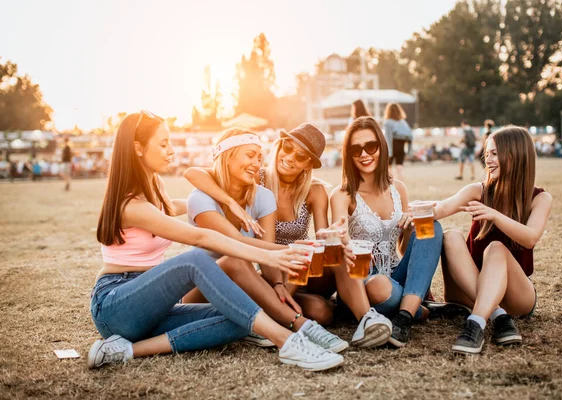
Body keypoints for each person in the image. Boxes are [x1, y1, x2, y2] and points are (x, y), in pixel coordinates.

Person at [87, 111, 343, 371]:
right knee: (196, 259)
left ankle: (125, 350)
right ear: (138, 148)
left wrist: (225, 201)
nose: (171, 151)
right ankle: (287, 342)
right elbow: (200, 235)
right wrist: (272, 253)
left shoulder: (155, 191)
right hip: (116, 304)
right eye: (163, 144)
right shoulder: (131, 205)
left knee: (240, 316)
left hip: (152, 307)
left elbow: (190, 201)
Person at [184, 124, 393, 349]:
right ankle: (294, 320)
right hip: (264, 266)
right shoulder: (254, 179)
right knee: (319, 311)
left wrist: (329, 237)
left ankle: (366, 318)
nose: (290, 157)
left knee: (335, 256)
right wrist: (231, 203)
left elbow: (317, 242)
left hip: (292, 266)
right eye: (287, 147)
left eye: (301, 156)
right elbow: (196, 173)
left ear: (309, 165)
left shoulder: (299, 191)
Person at [434, 125, 552, 355]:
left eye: (495, 153)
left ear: (516, 155)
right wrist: (405, 210)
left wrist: (494, 215)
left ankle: (475, 323)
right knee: (451, 237)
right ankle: (497, 315)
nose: (488, 159)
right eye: (486, 153)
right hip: (467, 292)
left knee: (496, 248)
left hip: (517, 298)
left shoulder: (539, 198)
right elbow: (441, 208)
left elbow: (530, 238)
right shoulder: (478, 190)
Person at [330, 116, 443, 347]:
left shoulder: (398, 188)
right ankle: (416, 307)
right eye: (355, 149)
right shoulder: (342, 195)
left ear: (381, 146)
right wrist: (341, 238)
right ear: (348, 154)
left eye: (370, 146)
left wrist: (410, 226)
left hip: (394, 276)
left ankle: (403, 317)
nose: (364, 154)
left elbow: (401, 247)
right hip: (362, 284)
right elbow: (341, 237)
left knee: (431, 226)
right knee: (378, 284)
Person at [383, 103, 413, 180]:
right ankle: (401, 183)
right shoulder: (403, 122)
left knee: (389, 168)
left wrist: (389, 151)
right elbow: (410, 136)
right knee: (399, 167)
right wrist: (410, 150)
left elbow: (388, 137)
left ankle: (392, 184)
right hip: (401, 146)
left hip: (392, 145)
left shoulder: (388, 122)